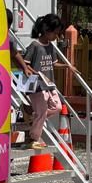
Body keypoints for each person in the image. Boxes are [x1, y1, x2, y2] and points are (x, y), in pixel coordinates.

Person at [20, 14, 64, 149]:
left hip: (49, 84)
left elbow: (53, 64)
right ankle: (33, 138)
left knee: (57, 107)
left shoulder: (50, 46)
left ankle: (31, 113)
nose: (56, 37)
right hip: (36, 85)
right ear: (46, 30)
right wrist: (31, 71)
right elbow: (25, 63)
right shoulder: (34, 46)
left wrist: (68, 66)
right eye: (54, 33)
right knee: (43, 111)